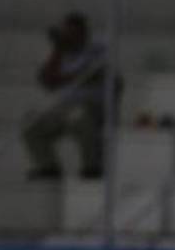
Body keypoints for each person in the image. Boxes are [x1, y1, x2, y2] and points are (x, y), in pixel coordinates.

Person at [23, 12, 110, 180]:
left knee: (80, 117)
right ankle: (48, 167)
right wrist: (58, 50)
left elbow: (90, 76)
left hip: (90, 106)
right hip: (63, 107)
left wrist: (61, 79)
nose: (69, 37)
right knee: (30, 124)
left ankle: (91, 168)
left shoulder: (97, 49)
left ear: (84, 33)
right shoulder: (60, 53)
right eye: (66, 33)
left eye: (73, 33)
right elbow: (46, 81)